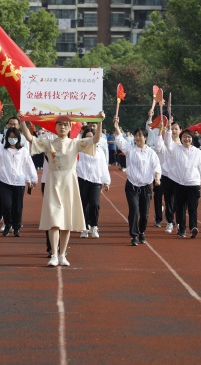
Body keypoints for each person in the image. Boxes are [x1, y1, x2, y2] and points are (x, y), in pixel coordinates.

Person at [20, 111, 105, 266]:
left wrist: (99, 121)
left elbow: (96, 139)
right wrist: (22, 121)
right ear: (55, 126)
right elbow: (30, 138)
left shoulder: (75, 143)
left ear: (70, 127)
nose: (62, 127)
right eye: (59, 124)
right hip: (53, 181)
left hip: (69, 182)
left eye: (66, 125)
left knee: (66, 221)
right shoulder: (49, 143)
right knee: (54, 220)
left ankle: (62, 254)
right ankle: (53, 254)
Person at [113, 116, 161, 245]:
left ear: (145, 137)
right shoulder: (130, 150)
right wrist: (116, 126)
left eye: (140, 136)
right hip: (132, 186)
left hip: (146, 186)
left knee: (144, 213)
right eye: (136, 136)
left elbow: (156, 166)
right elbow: (120, 140)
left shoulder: (151, 152)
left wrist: (157, 177)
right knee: (134, 210)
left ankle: (142, 232)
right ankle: (134, 235)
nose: (137, 138)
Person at [0, 122, 37, 237]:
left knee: (17, 206)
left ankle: (16, 227)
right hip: (4, 182)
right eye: (10, 137)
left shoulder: (23, 151)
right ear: (6, 138)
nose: (12, 139)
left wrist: (33, 178)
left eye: (14, 137)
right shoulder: (1, 149)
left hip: (19, 182)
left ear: (18, 138)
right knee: (6, 204)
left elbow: (29, 165)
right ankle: (7, 224)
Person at [77, 126, 111, 239]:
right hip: (82, 179)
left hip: (96, 180)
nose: (89, 140)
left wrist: (106, 181)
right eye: (86, 138)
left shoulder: (99, 151)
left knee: (95, 204)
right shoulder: (79, 150)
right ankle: (85, 227)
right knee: (83, 204)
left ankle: (94, 226)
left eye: (91, 138)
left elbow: (103, 165)